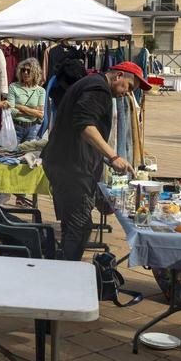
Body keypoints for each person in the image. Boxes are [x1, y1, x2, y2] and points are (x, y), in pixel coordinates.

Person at [42, 62, 148, 262]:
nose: (128, 93)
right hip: (70, 166)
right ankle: (66, 270)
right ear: (118, 76)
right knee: (80, 225)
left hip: (64, 162)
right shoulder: (99, 89)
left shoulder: (92, 83)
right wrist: (113, 156)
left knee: (73, 223)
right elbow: (85, 125)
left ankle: (62, 265)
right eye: (129, 86)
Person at [7, 58, 46, 143]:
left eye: (28, 70)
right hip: (16, 128)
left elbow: (40, 114)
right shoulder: (13, 87)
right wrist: (33, 111)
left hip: (32, 129)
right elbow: (10, 109)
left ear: (35, 72)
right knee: (13, 154)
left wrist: (20, 107)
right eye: (23, 70)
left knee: (28, 154)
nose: (25, 73)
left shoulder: (41, 91)